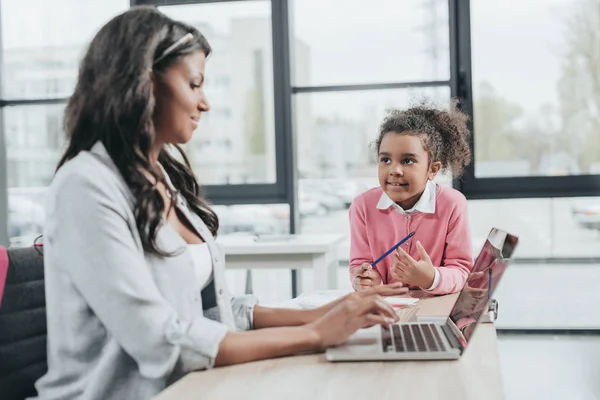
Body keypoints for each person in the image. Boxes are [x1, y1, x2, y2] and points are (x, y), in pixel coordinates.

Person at [32, 7, 408, 400]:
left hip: (200, 387)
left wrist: (332, 312)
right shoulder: (85, 186)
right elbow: (163, 339)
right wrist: (313, 335)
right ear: (145, 82)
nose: (205, 102)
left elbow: (216, 314)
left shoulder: (161, 177)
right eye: (194, 84)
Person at [349, 101, 474, 295]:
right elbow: (359, 264)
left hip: (435, 310)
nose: (394, 170)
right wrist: (364, 280)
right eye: (385, 160)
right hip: (385, 312)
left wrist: (431, 278)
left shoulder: (452, 204)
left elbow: (461, 269)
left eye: (408, 161)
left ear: (432, 169)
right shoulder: (362, 206)